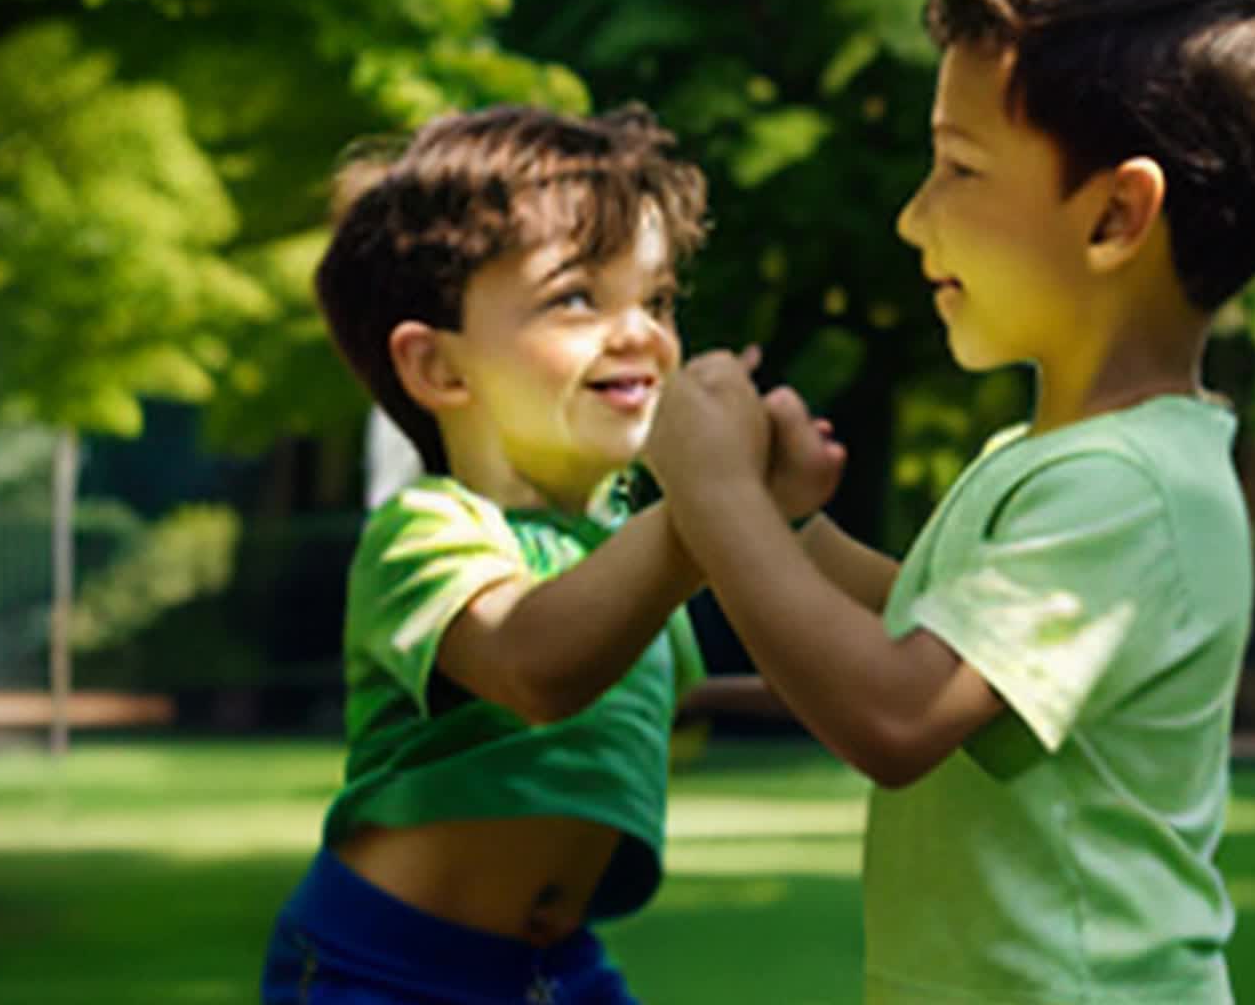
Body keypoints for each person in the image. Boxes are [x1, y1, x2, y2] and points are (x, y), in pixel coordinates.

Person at [645, 0, 1255, 1000]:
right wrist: (790, 530)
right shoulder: (1062, 461)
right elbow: (921, 634)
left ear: (1116, 215)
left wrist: (711, 487)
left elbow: (897, 713)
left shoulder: (1125, 490)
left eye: (958, 167)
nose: (913, 214)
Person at [261, 103, 839, 1004]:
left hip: (553, 971)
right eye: (578, 296)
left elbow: (655, 698)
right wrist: (711, 500)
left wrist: (785, 524)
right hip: (384, 971)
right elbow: (537, 667)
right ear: (439, 370)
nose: (642, 331)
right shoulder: (431, 529)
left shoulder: (615, 548)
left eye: (656, 299)